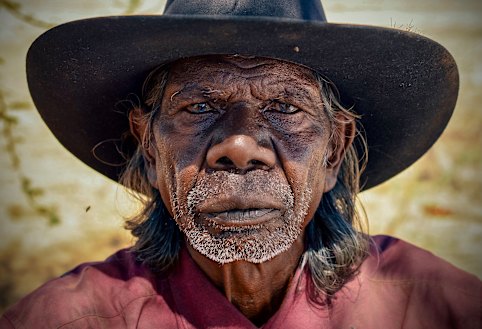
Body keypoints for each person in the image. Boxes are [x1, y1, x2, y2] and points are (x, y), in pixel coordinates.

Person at [1, 0, 480, 328]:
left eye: (286, 107)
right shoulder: (68, 319)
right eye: (200, 107)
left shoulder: (439, 309)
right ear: (148, 145)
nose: (240, 145)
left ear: (335, 148)